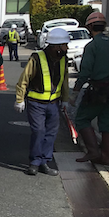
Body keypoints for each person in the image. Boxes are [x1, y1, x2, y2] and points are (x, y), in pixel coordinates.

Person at [14, 27, 71, 176]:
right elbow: (24, 79)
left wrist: (65, 99)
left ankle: (44, 162)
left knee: (51, 133)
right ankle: (34, 162)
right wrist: (20, 99)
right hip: (36, 103)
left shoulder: (63, 59)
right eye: (64, 45)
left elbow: (65, 81)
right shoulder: (37, 58)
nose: (67, 48)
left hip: (54, 104)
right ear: (56, 46)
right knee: (39, 131)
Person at [71, 12, 109, 165]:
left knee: (82, 118)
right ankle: (106, 157)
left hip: (98, 89)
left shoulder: (92, 46)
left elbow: (85, 72)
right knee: (107, 123)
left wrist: (75, 92)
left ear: (89, 27)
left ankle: (93, 151)